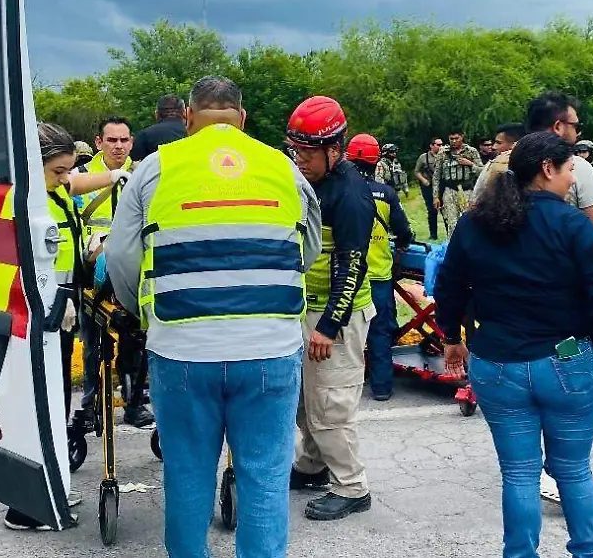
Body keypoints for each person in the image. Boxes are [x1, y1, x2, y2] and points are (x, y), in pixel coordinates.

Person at [105, 76, 322, 557]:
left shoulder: (154, 169)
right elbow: (306, 250)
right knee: (265, 478)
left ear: (188, 117)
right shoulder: (285, 169)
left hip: (182, 347)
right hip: (270, 348)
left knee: (187, 475)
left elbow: (120, 257)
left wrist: (143, 313)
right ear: (242, 118)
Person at [435, 132, 593, 558]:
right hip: (566, 361)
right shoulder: (571, 223)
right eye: (570, 169)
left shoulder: (475, 222)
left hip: (496, 364)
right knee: (573, 471)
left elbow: (449, 285)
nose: (573, 178)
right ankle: (589, 552)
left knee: (518, 474)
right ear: (547, 169)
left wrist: (450, 337)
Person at [285, 95, 377, 521]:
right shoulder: (310, 182)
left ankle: (352, 486)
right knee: (306, 401)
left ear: (335, 149)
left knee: (330, 404)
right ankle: (313, 464)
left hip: (337, 314)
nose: (299, 159)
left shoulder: (351, 195)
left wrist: (329, 325)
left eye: (308, 152)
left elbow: (352, 265)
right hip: (307, 309)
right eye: (295, 149)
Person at [3, 123, 85, 531]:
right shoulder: (22, 204)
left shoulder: (53, 195)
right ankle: (27, 506)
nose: (66, 178)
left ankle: (52, 487)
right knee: (40, 404)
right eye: (58, 171)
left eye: (69, 170)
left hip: (59, 311)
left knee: (57, 401)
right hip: (39, 316)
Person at [71, 117, 153, 429]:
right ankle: (91, 405)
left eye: (123, 140)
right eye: (112, 140)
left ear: (131, 142)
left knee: (136, 340)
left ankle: (134, 403)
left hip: (131, 269)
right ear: (99, 142)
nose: (118, 146)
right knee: (93, 344)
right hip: (94, 269)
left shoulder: (143, 174)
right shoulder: (81, 176)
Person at [473, 92, 593, 259]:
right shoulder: (578, 167)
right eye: (576, 126)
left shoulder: (493, 166)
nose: (578, 133)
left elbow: (474, 220)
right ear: (558, 127)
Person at [346, 134, 413, 402]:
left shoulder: (336, 190)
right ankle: (382, 387)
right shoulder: (386, 194)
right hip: (378, 275)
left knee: (341, 331)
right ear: (376, 162)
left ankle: (344, 387)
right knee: (379, 332)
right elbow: (404, 232)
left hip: (344, 275)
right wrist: (400, 249)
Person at [432, 131, 481, 235]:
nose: (454, 141)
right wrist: (436, 196)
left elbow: (482, 171)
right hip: (450, 190)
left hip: (467, 190)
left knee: (469, 221)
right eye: (451, 139)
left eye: (456, 138)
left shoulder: (471, 151)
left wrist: (470, 164)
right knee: (452, 222)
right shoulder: (443, 153)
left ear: (462, 137)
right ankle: (453, 243)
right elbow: (436, 176)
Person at [130, 94, 188, 161]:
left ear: (156, 114)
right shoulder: (192, 133)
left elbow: (136, 163)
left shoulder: (144, 135)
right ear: (184, 112)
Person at [414, 138, 443, 240]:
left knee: (445, 209)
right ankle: (433, 234)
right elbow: (417, 171)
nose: (440, 147)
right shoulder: (423, 157)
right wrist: (423, 180)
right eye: (438, 145)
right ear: (431, 145)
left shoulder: (445, 156)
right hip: (428, 186)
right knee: (432, 210)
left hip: (441, 185)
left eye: (441, 144)